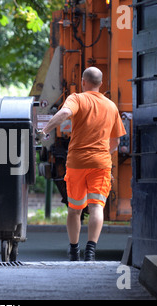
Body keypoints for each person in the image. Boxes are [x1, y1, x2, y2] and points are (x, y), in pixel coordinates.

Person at [38, 67, 126, 261]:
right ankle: (91, 251)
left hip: (77, 162)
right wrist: (104, 152)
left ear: (83, 82)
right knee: (96, 207)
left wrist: (45, 130)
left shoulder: (76, 98)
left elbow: (64, 114)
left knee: (75, 209)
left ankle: (74, 250)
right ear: (101, 84)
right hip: (101, 163)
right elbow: (116, 142)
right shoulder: (111, 106)